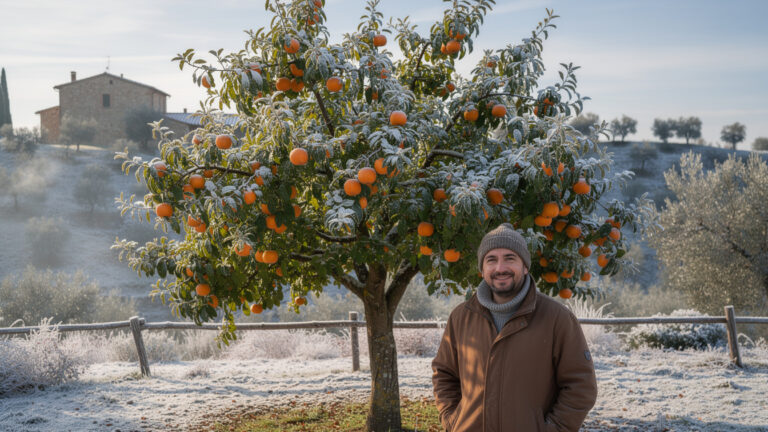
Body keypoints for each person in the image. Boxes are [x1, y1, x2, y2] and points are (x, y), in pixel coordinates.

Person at [432, 223, 597, 431]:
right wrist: (452, 420)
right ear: (482, 270)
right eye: (491, 260)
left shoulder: (557, 318)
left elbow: (580, 386)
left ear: (525, 266)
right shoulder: (461, 317)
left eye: (510, 258)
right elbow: (444, 374)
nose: (500, 268)